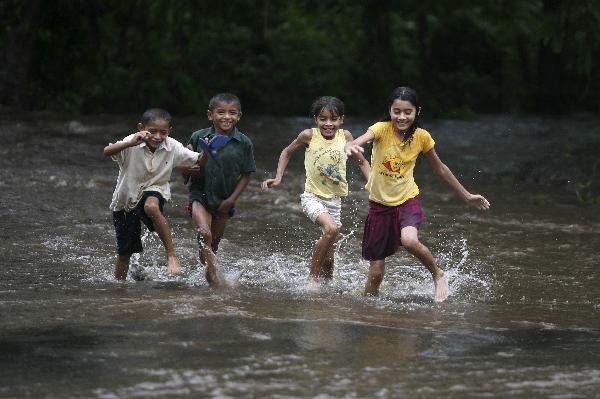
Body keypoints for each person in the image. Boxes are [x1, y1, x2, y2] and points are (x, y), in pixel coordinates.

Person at [345, 87, 490, 302]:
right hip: (379, 206)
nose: (401, 117)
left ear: (416, 112)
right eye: (397, 111)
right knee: (375, 275)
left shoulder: (422, 137)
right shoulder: (381, 129)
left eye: (407, 112)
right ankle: (370, 314)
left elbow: (440, 168)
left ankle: (437, 274)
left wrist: (466, 195)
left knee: (410, 241)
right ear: (390, 110)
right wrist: (350, 144)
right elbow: (361, 139)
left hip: (406, 200)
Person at [261, 96, 370, 281]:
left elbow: (362, 162)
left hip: (334, 201)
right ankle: (311, 281)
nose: (328, 124)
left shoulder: (347, 137)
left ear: (341, 120)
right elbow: (286, 152)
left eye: (333, 119)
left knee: (329, 259)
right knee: (331, 229)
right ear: (315, 119)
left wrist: (374, 185)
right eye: (323, 119)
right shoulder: (308, 136)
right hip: (312, 197)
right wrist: (279, 177)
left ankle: (327, 290)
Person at [104, 108, 203, 280]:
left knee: (151, 206)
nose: (157, 137)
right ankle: (119, 288)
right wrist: (129, 143)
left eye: (163, 132)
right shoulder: (131, 142)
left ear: (169, 131)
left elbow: (198, 159)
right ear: (141, 128)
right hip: (126, 200)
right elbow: (107, 151)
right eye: (152, 131)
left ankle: (172, 255)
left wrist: (210, 150)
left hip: (155, 189)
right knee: (124, 253)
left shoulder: (173, 146)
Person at [180, 93, 256, 287]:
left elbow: (247, 174)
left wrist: (231, 200)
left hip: (224, 199)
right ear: (210, 115)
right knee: (205, 234)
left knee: (212, 246)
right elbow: (183, 165)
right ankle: (213, 278)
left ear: (239, 116)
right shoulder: (198, 137)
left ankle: (206, 272)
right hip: (200, 195)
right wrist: (187, 169)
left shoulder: (244, 143)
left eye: (232, 113)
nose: (226, 117)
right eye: (220, 112)